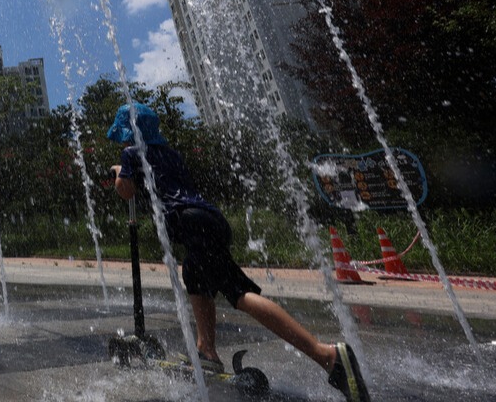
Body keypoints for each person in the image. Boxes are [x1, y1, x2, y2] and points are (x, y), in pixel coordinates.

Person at [106, 102, 370, 402]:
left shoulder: (131, 154)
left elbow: (125, 190)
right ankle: (206, 350)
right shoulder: (171, 154)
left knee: (239, 293)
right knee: (194, 274)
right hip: (207, 219)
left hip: (192, 224)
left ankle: (327, 355)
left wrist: (119, 171)